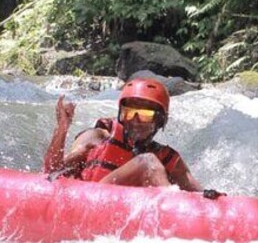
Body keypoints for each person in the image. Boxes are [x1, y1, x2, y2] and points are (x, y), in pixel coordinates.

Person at [43, 78, 219, 196]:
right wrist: (62, 129)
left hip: (123, 216)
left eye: (144, 114)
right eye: (129, 112)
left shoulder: (167, 157)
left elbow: (199, 193)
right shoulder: (96, 137)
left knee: (150, 162)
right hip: (91, 201)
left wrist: (212, 197)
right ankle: (172, 214)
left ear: (160, 120)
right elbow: (52, 170)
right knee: (147, 163)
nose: (135, 121)